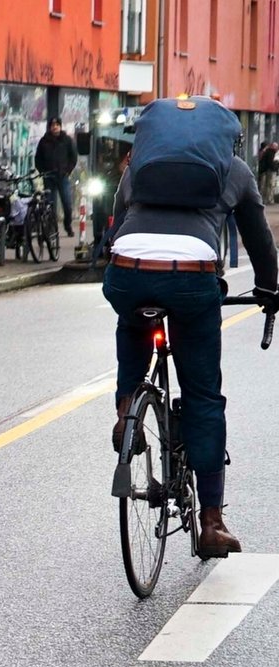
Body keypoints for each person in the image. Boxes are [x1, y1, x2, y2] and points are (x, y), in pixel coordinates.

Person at [103, 96, 279, 556]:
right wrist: (269, 289)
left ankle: (126, 410)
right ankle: (211, 522)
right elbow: (259, 240)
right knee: (202, 395)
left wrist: (123, 261)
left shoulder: (139, 166)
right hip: (191, 276)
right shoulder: (235, 170)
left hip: (128, 266)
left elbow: (118, 223)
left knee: (133, 317)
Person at [35, 117, 80, 236]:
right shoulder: (44, 141)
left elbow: (73, 156)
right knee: (50, 204)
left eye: (57, 125)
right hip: (49, 177)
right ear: (49, 127)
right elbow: (38, 158)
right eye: (52, 125)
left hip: (63, 176)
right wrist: (42, 171)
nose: (55, 127)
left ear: (60, 126)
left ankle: (68, 225)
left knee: (67, 203)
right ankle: (51, 228)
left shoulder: (67, 140)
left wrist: (68, 170)